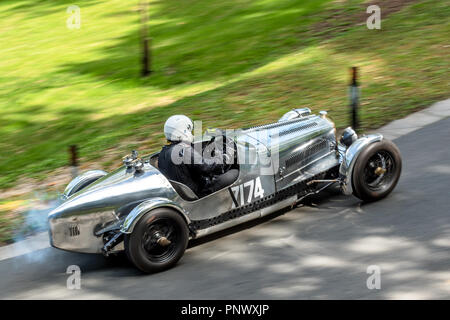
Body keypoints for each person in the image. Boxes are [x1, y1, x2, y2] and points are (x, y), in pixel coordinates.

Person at [158, 115, 238, 198]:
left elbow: (195, 164)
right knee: (235, 173)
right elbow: (208, 167)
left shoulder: (163, 153)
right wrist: (226, 156)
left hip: (184, 194)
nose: (191, 134)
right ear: (183, 131)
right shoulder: (184, 149)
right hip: (201, 191)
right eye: (189, 131)